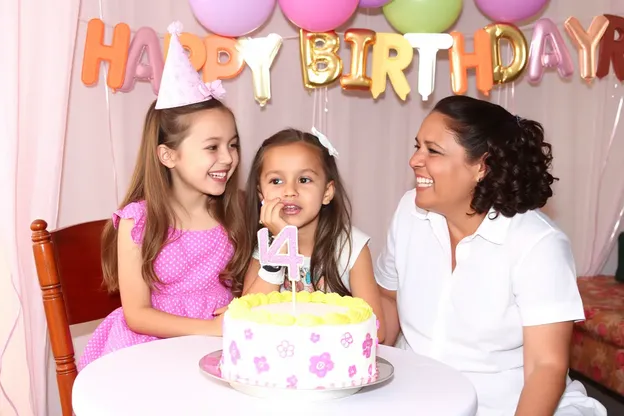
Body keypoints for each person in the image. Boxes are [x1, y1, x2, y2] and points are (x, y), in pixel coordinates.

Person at [375, 96, 606, 416]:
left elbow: (546, 366)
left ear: (482, 166)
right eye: (417, 146)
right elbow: (388, 298)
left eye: (432, 150)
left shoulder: (538, 243)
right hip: (414, 396)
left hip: (507, 406)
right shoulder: (408, 211)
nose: (415, 160)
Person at [78, 22, 245, 370]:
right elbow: (137, 314)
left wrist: (238, 309)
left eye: (232, 145)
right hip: (151, 349)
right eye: (212, 147)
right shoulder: (138, 221)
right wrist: (211, 330)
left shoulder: (232, 212)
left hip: (215, 348)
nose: (227, 158)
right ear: (168, 155)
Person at [233, 128, 385, 341]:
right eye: (276, 181)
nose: (289, 191)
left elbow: (377, 329)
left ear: (327, 192)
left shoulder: (352, 248)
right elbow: (245, 320)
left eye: (304, 180)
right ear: (261, 194)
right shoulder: (266, 244)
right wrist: (280, 246)